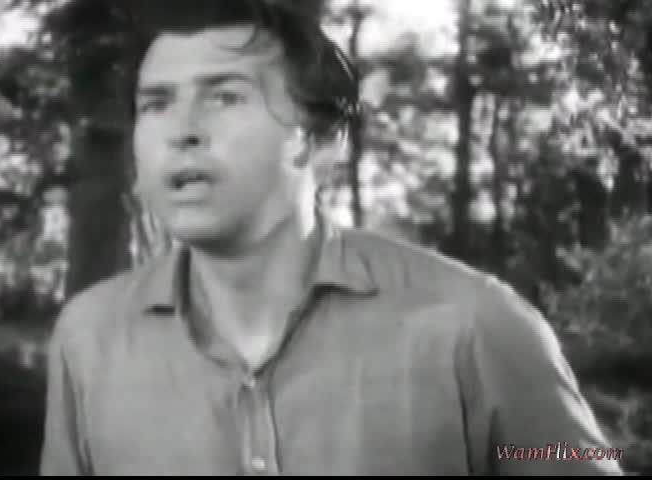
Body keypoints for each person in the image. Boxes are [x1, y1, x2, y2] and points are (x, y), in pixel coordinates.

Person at [40, 0, 624, 475]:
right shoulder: (89, 339)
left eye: (225, 96)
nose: (182, 132)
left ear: (319, 142)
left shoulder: (475, 324)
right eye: (157, 104)